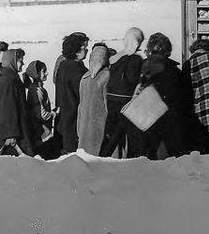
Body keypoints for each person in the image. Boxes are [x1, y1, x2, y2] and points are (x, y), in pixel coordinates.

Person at [136, 33, 194, 160]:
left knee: (147, 156)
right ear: (168, 51)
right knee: (176, 157)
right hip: (172, 119)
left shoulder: (142, 68)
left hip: (146, 119)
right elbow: (186, 97)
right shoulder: (175, 71)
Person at [101, 27, 146, 158]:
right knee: (132, 139)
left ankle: (100, 161)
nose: (124, 42)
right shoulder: (136, 60)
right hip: (126, 103)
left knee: (110, 137)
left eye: (127, 39)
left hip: (112, 101)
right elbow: (133, 80)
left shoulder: (117, 59)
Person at [0, 48, 34, 157]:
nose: (23, 63)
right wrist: (10, 134)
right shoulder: (8, 81)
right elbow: (7, 108)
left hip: (16, 129)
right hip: (12, 135)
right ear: (12, 61)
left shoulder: (11, 78)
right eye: (20, 60)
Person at [53, 32, 89, 154]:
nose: (87, 50)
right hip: (74, 117)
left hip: (65, 116)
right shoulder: (76, 69)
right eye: (84, 47)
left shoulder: (63, 64)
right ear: (77, 50)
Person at [76, 42, 113, 156]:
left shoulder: (85, 77)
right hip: (100, 127)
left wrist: (79, 129)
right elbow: (108, 105)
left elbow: (80, 106)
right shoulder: (107, 76)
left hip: (84, 128)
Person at [22, 60, 59, 160]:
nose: (47, 73)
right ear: (36, 73)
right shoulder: (37, 91)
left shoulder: (36, 88)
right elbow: (41, 114)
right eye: (44, 71)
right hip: (40, 131)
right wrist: (53, 114)